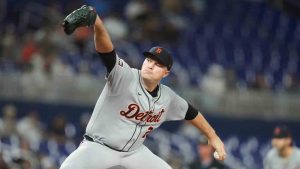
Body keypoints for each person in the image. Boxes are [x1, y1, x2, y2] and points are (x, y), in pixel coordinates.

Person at [60, 5, 226, 169]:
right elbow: (106, 51)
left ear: (166, 73)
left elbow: (191, 113)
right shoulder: (125, 76)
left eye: (158, 64)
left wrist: (213, 136)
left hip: (134, 153)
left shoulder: (167, 97)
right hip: (98, 147)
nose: (151, 65)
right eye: (149, 60)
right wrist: (97, 23)